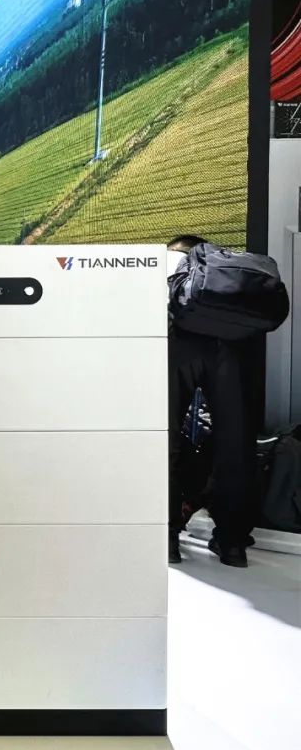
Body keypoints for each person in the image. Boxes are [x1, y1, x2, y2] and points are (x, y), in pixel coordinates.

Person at [166, 234, 260, 568]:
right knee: (234, 444)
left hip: (178, 345)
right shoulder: (223, 273)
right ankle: (233, 544)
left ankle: (167, 536)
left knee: (165, 438)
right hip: (229, 348)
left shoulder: (171, 263)